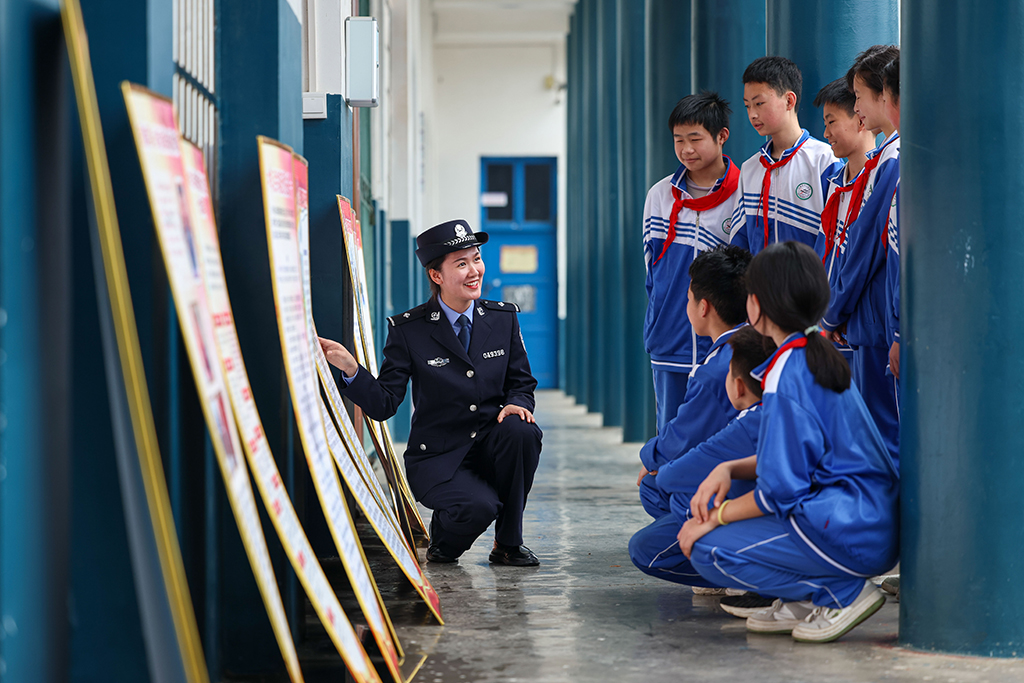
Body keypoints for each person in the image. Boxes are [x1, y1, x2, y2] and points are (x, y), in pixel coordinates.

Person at [678, 241, 899, 644]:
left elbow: (779, 491)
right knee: (715, 528)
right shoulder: (811, 356)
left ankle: (840, 593)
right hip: (866, 523)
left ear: (757, 307)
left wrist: (716, 516)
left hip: (851, 532)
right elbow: (796, 458)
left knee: (707, 547)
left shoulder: (787, 373)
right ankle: (804, 596)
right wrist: (728, 467)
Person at [320, 219, 543, 566]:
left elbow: (522, 382)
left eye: (476, 259)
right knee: (478, 509)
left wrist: (516, 403)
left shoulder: (502, 319)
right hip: (438, 457)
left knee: (523, 431)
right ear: (436, 275)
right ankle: (445, 535)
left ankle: (507, 544)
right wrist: (350, 368)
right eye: (461, 263)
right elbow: (384, 404)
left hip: (491, 446)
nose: (475, 271)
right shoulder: (410, 330)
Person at [628, 326, 775, 589]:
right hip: (844, 521)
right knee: (672, 490)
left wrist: (715, 517)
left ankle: (766, 584)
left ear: (738, 385)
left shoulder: (748, 424)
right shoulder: (788, 403)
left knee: (654, 538)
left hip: (823, 538)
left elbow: (672, 476)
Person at [820, 45, 901, 470]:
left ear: (885, 93)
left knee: (883, 440)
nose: (857, 107)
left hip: (876, 327)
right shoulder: (885, 160)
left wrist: (832, 316)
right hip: (872, 325)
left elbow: (866, 251)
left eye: (859, 96)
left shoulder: (893, 164)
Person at [643, 91, 742, 432]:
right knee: (671, 435)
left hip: (725, 345)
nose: (686, 149)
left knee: (722, 436)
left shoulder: (744, 192)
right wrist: (657, 325)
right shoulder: (658, 196)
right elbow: (652, 273)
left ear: (722, 136)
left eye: (695, 139)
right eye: (678, 140)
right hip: (670, 341)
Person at [636, 244, 751, 518]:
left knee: (655, 486)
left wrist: (650, 455)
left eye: (688, 299)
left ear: (703, 307)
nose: (686, 306)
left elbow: (683, 436)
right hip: (765, 466)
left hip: (743, 479)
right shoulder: (761, 344)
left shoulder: (715, 371)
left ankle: (703, 537)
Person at [730, 56, 837, 255]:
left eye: (759, 103)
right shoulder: (751, 168)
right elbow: (740, 240)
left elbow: (833, 237)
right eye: (747, 106)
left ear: (789, 100)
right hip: (760, 285)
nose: (752, 113)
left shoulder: (824, 161)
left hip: (809, 284)